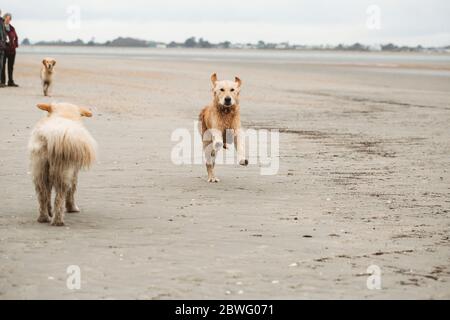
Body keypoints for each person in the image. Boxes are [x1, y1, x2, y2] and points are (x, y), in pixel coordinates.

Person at [1, 13, 18, 87]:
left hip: (12, 50)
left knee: (10, 67)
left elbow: (16, 37)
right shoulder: (1, 27)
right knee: (2, 66)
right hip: (4, 49)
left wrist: (15, 45)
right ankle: (3, 81)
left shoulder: (12, 28)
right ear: (4, 18)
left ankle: (10, 81)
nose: (8, 20)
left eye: (9, 19)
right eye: (7, 18)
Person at [0, 9, 6, 88]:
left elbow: (3, 34)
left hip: (1, 47)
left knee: (1, 65)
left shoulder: (1, 21)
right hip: (1, 45)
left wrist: (3, 41)